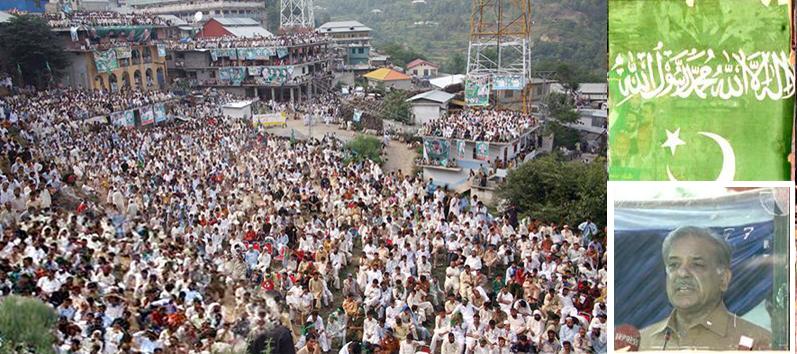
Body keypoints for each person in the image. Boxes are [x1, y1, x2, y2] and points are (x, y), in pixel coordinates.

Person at [638, 226, 771, 350]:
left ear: (723, 279)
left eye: (697, 265)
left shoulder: (759, 343)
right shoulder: (641, 343)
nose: (682, 273)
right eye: (674, 265)